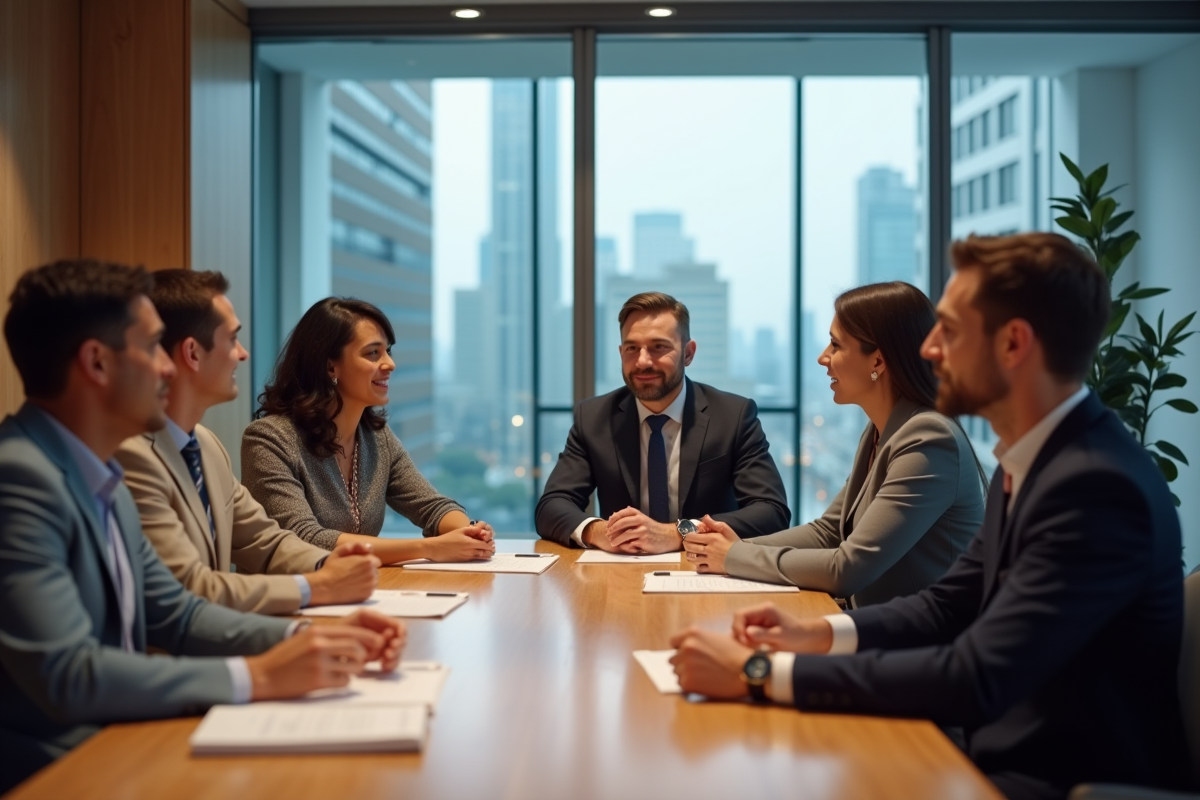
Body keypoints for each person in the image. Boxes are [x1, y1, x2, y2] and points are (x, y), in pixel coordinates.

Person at [667, 233, 1191, 800]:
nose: (931, 348)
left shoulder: (1094, 486)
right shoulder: (1038, 462)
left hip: (1049, 778)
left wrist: (761, 675)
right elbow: (948, 604)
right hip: (1000, 752)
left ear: (1014, 344)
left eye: (950, 330)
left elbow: (977, 675)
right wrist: (814, 635)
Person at [0, 261, 405, 793]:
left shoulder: (98, 472)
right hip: (59, 766)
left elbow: (174, 611)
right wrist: (255, 676)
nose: (168, 370)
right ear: (97, 363)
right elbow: (69, 675)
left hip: (125, 738)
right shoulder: (20, 480)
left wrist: (306, 638)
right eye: (151, 349)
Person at [684, 282, 985, 607]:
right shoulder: (880, 430)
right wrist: (734, 546)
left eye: (835, 345)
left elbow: (848, 568)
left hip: (922, 645)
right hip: (875, 627)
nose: (822, 358)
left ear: (878, 362)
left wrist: (735, 556)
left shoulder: (928, 439)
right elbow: (828, 532)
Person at [116, 270, 379, 615]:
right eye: (232, 340)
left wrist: (326, 564)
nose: (243, 354)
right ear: (193, 353)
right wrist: (317, 585)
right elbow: (189, 587)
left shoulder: (205, 445)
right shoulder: (130, 454)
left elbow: (264, 541)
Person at [242, 297, 494, 565]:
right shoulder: (269, 440)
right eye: (373, 353)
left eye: (388, 352)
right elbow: (305, 539)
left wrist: (468, 531)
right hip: (288, 600)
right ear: (330, 366)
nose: (389, 364)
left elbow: (431, 506)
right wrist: (429, 548)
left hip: (352, 593)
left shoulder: (376, 437)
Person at [536, 292, 789, 554]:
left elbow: (772, 512)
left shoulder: (733, 416)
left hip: (706, 575)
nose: (643, 361)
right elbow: (552, 505)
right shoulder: (594, 418)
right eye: (632, 348)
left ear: (688, 353)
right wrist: (598, 531)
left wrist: (677, 532)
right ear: (621, 353)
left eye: (659, 347)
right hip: (620, 575)